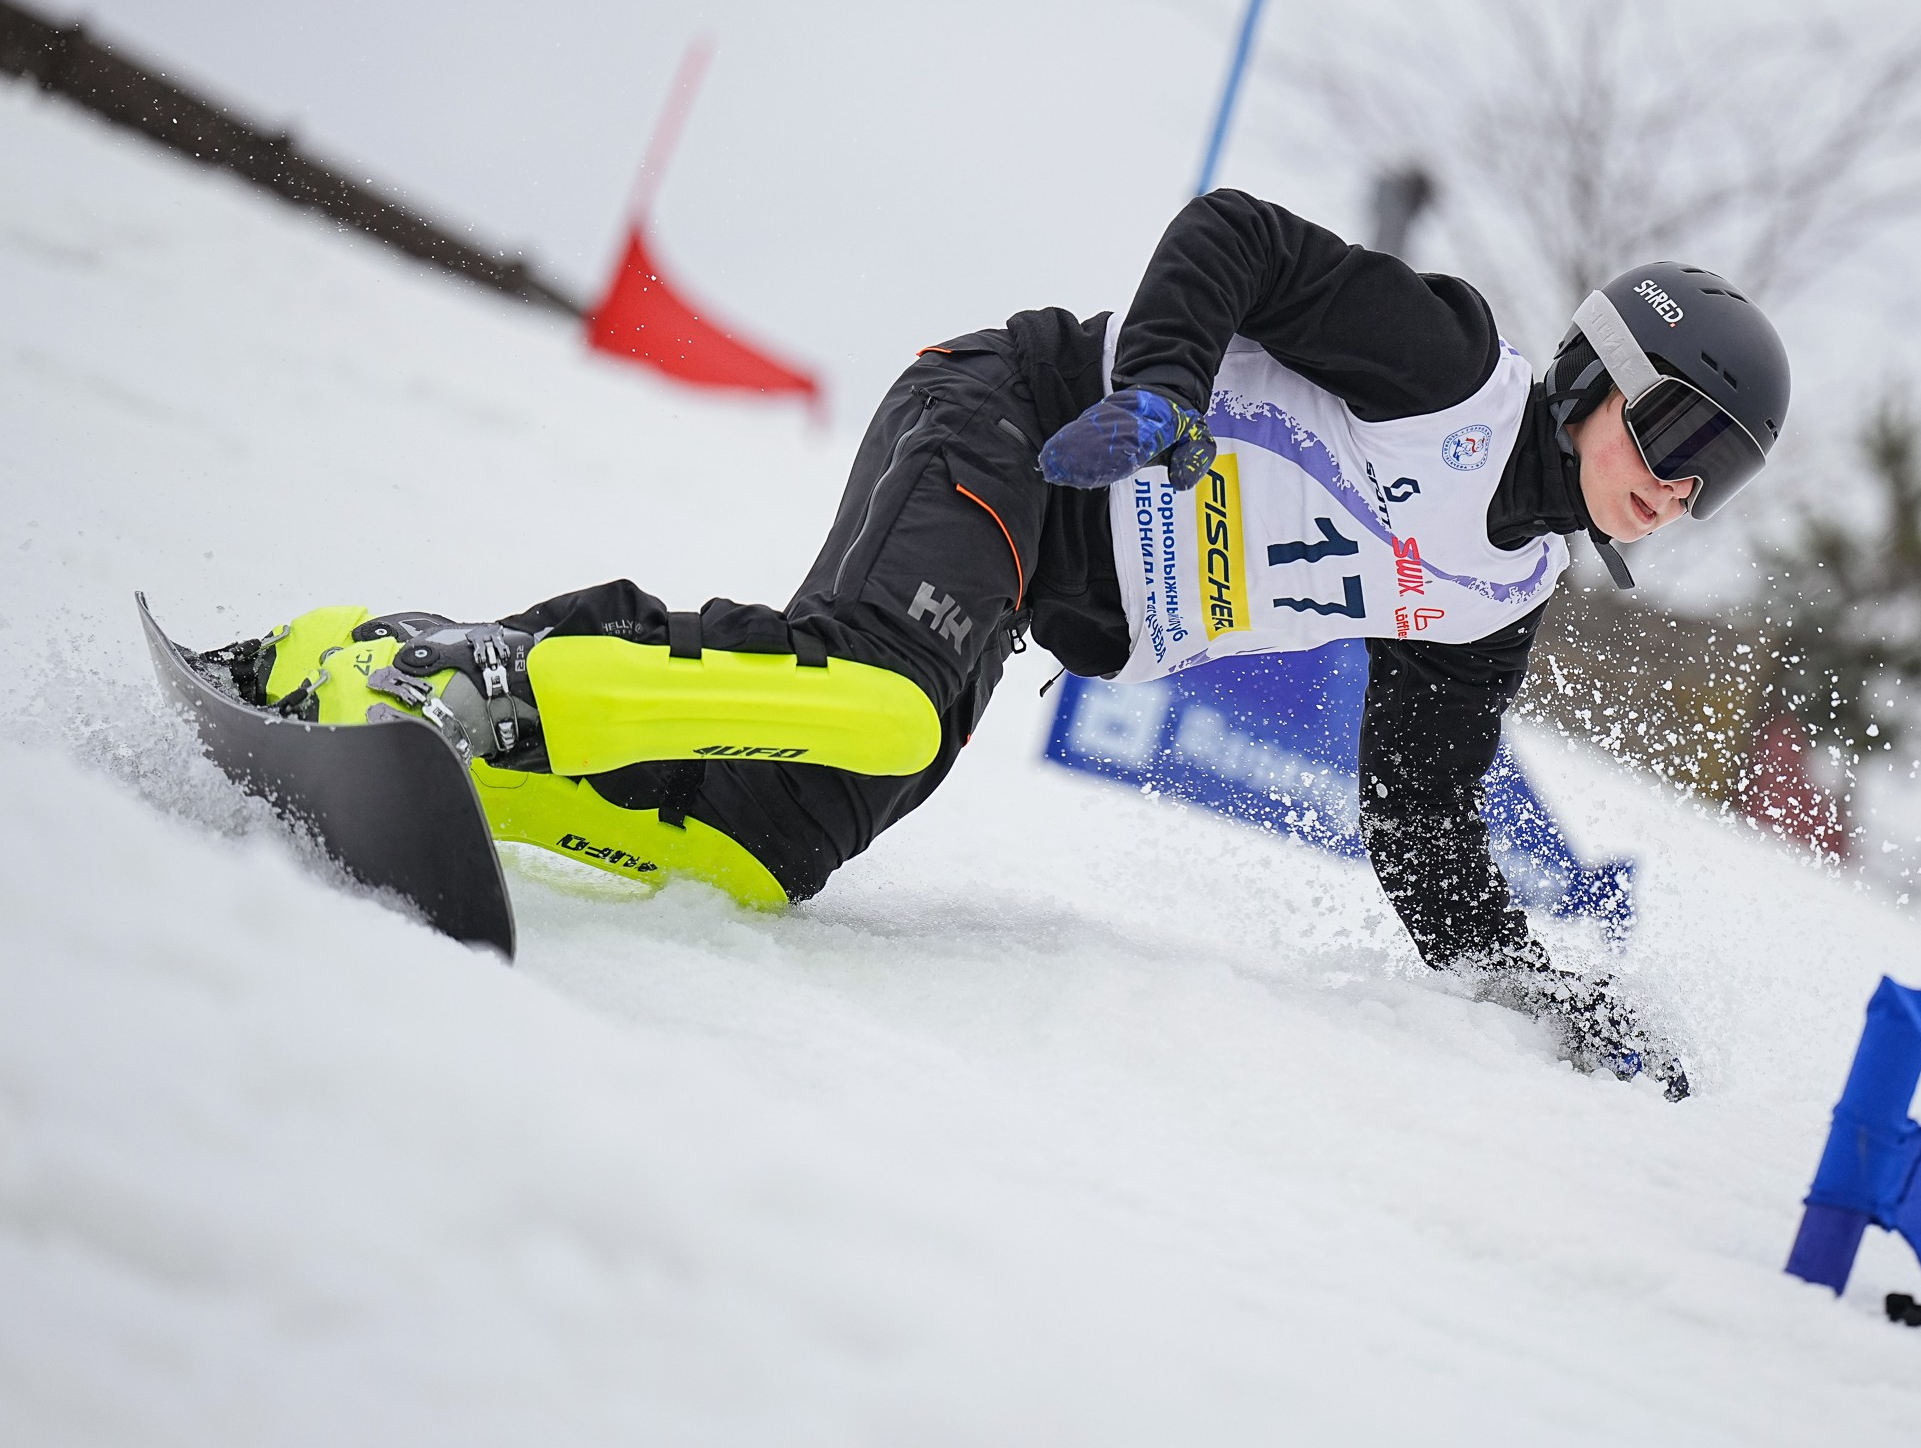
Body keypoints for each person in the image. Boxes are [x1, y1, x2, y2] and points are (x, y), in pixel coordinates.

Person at [225, 191, 1789, 1100]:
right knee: (884, 703)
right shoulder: (1450, 368)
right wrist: (1167, 393)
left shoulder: (1494, 603)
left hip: (1041, 575)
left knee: (773, 846)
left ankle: (465, 759)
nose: (1676, 485)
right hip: (1013, 421)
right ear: (1599, 372)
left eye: (1715, 478)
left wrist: (1525, 986)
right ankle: (450, 666)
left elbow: (1425, 818)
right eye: (1674, 429)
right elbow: (1233, 236)